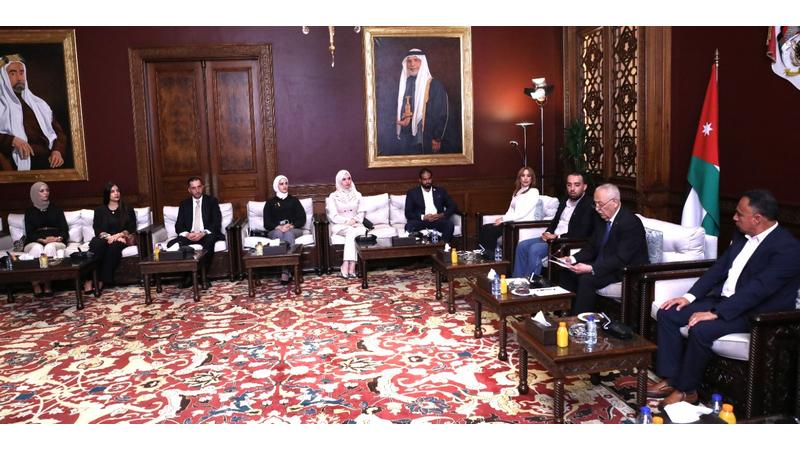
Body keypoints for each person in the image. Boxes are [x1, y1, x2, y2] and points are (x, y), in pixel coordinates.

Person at [648, 189, 800, 407]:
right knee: (669, 313)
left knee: (701, 328)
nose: (734, 217)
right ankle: (671, 379)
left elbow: (758, 289)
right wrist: (689, 297)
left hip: (756, 313)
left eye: (740, 214)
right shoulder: (741, 235)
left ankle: (686, 391)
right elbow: (718, 269)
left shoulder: (788, 249)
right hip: (724, 300)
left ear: (757, 219)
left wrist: (716, 313)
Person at [556, 183, 648, 315]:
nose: (597, 209)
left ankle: (579, 320)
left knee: (586, 279)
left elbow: (621, 259)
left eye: (600, 204)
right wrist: (572, 259)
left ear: (615, 202)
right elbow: (592, 247)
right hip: (605, 264)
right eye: (595, 204)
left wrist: (591, 268)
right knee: (567, 271)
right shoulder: (601, 219)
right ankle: (562, 315)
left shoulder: (630, 222)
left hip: (625, 271)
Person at [512, 172, 595, 278]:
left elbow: (582, 232)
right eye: (569, 185)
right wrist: (547, 232)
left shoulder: (588, 204)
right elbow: (555, 221)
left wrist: (557, 237)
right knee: (522, 246)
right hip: (552, 238)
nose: (572, 189)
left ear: (584, 187)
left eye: (577, 185)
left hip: (563, 241)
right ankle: (517, 281)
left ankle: (530, 283)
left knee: (535, 249)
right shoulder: (565, 199)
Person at [0, 54, 67, 171]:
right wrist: (12, 140)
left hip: (47, 162)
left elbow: (58, 133)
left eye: (21, 73)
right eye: (13, 73)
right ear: (3, 77)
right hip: (13, 164)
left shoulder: (39, 105)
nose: (19, 78)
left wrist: (57, 151)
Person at [394, 48, 453, 155]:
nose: (412, 64)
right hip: (407, 137)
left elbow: (441, 113)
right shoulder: (405, 84)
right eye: (409, 61)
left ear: (423, 62)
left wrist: (437, 138)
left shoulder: (435, 85)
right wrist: (405, 118)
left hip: (426, 137)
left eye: (416, 60)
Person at [169, 176, 224, 289]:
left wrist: (203, 233)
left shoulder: (212, 201)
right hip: (190, 235)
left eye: (199, 187)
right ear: (189, 190)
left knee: (209, 242)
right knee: (173, 244)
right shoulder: (184, 204)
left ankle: (203, 277)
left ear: (202, 187)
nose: (197, 190)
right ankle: (188, 276)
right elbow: (179, 226)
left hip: (206, 234)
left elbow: (216, 222)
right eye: (194, 188)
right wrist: (187, 234)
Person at [84, 182, 137, 293]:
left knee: (113, 248)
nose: (116, 193)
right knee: (97, 245)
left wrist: (119, 235)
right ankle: (88, 279)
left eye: (117, 191)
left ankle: (101, 280)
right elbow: (97, 229)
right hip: (104, 238)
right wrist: (109, 237)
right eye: (112, 191)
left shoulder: (127, 209)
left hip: (120, 239)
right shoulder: (99, 210)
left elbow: (131, 227)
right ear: (107, 194)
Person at [477, 166, 540, 255]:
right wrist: (502, 219)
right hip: (511, 221)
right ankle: (483, 254)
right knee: (485, 228)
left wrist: (503, 219)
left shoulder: (533, 192)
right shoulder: (517, 191)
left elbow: (522, 213)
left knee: (490, 231)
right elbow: (510, 210)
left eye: (528, 176)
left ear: (532, 179)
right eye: (523, 176)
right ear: (519, 178)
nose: (525, 178)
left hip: (520, 223)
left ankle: (491, 256)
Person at [23, 181, 68, 297]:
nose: (46, 193)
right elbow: (29, 233)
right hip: (35, 241)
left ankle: (48, 283)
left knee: (49, 247)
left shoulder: (56, 209)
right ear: (35, 193)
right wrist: (42, 240)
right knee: (37, 249)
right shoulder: (29, 212)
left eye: (47, 190)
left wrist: (57, 239)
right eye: (42, 191)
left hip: (55, 241)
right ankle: (35, 283)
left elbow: (64, 229)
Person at [263, 175, 306, 284]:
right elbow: (266, 223)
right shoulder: (270, 202)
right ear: (276, 186)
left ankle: (285, 271)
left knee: (288, 234)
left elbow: (302, 219)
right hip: (275, 229)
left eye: (286, 183)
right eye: (281, 184)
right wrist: (278, 227)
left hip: (293, 229)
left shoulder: (294, 201)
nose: (284, 186)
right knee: (278, 233)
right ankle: (287, 270)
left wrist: (291, 226)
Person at [326, 169, 367, 279]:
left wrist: (354, 220)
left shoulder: (358, 195)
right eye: (344, 179)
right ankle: (351, 266)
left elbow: (361, 213)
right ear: (339, 181)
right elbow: (333, 216)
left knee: (352, 232)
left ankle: (347, 265)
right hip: (340, 225)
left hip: (357, 225)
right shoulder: (333, 196)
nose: (347, 181)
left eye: (349, 178)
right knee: (351, 231)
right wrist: (346, 222)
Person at [404, 168, 459, 244]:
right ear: (420, 180)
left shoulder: (440, 191)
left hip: (437, 220)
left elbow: (453, 206)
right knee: (409, 226)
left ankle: (442, 246)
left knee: (449, 225)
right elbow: (408, 213)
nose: (427, 181)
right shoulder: (412, 193)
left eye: (429, 179)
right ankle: (418, 248)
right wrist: (424, 217)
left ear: (432, 179)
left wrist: (441, 215)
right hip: (421, 221)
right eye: (424, 179)